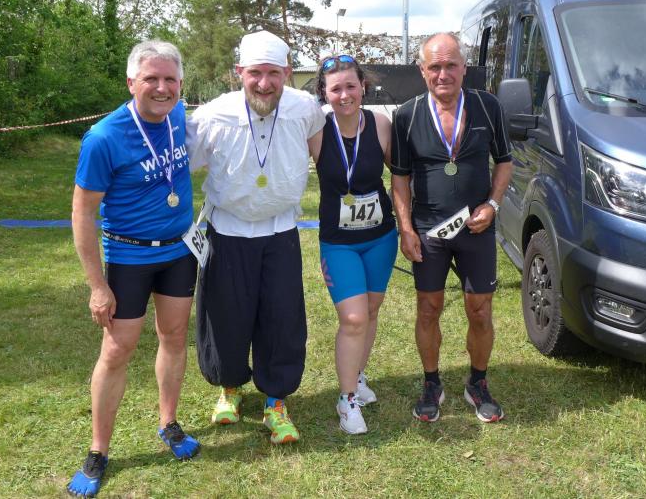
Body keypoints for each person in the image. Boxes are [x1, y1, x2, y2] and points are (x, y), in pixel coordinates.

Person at [67, 40, 201, 498]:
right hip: (129, 257)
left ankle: (169, 422)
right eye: (152, 79)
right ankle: (98, 450)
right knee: (117, 350)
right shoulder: (104, 137)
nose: (162, 88)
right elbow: (82, 213)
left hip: (179, 251)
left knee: (174, 336)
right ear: (131, 82)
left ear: (180, 84)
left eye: (170, 80)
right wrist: (97, 286)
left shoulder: (178, 116)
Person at [187, 30, 325, 444]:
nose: (264, 84)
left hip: (281, 232)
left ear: (287, 73)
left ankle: (276, 399)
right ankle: (229, 389)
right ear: (239, 72)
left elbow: (321, 153)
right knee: (225, 314)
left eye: (273, 74)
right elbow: (183, 163)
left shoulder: (305, 108)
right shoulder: (213, 114)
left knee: (282, 317)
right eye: (255, 74)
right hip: (227, 231)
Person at [390, 32, 513, 424]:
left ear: (464, 67)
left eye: (450, 65)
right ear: (422, 70)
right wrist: (406, 229)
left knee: (480, 310)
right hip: (429, 231)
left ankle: (478, 382)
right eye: (434, 67)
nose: (443, 74)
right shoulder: (407, 115)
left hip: (477, 228)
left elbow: (505, 162)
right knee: (429, 309)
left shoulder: (488, 106)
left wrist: (492, 205)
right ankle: (432, 383)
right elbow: (400, 178)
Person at [309, 55, 397, 434]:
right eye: (335, 89)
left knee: (371, 311)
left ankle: (358, 376)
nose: (344, 95)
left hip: (381, 237)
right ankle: (346, 401)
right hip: (339, 242)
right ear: (324, 93)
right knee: (354, 318)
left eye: (350, 86)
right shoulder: (316, 131)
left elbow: (402, 175)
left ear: (363, 86)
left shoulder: (380, 124)